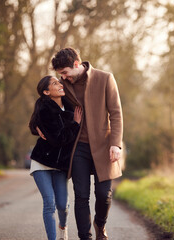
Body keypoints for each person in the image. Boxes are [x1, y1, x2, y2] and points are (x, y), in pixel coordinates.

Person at [48, 47, 123, 240]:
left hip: (104, 145)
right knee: (81, 195)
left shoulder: (105, 78)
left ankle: (100, 225)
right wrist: (37, 126)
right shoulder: (64, 85)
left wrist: (116, 144)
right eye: (60, 74)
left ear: (76, 64)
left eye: (64, 72)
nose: (63, 77)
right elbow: (48, 105)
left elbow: (116, 113)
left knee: (103, 194)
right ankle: (85, 237)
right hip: (78, 147)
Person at [29, 75, 82, 240]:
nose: (60, 84)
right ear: (46, 92)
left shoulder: (71, 108)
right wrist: (75, 124)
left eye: (59, 82)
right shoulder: (45, 109)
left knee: (62, 205)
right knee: (49, 203)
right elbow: (58, 139)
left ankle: (63, 226)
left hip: (60, 166)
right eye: (54, 83)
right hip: (42, 162)